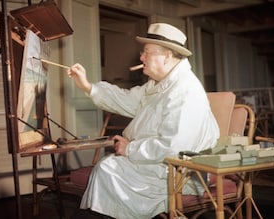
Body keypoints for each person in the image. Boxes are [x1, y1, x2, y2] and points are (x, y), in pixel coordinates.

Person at [68, 23, 220, 219]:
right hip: (156, 164)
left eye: (147, 52)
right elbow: (126, 99)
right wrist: (88, 86)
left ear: (167, 55)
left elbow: (174, 147)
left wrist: (130, 148)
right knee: (107, 169)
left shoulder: (185, 91)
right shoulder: (159, 85)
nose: (141, 58)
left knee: (108, 170)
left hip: (180, 173)